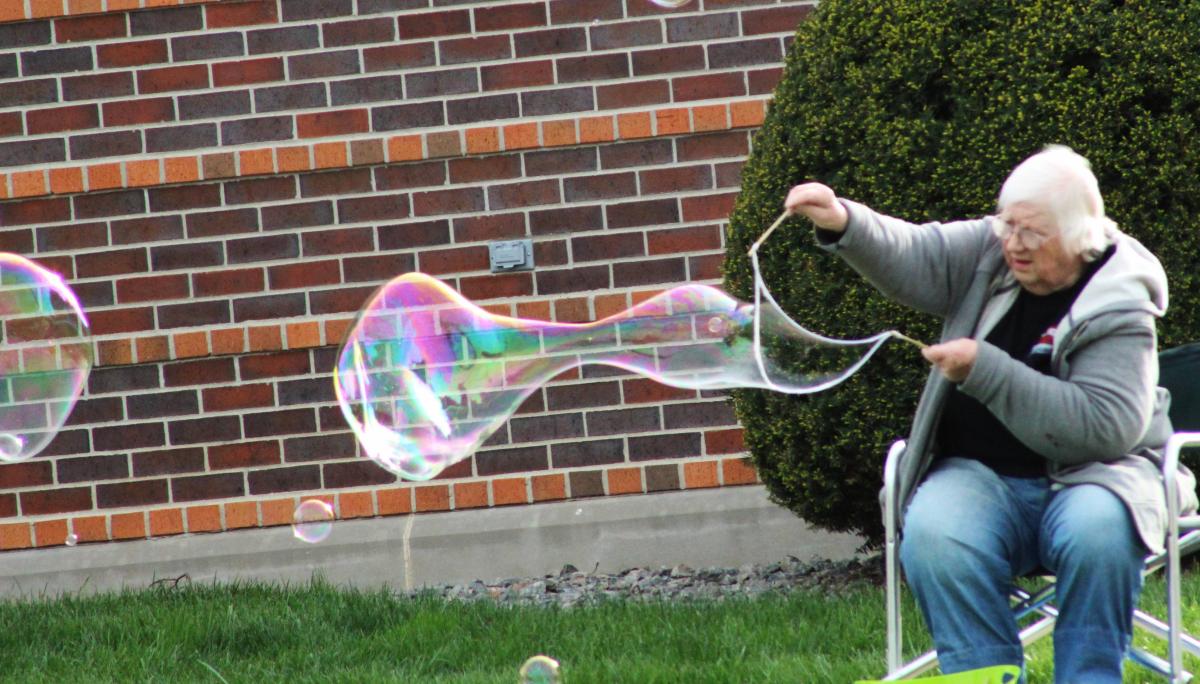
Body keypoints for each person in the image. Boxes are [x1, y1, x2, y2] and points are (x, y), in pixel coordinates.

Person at [782, 145, 1199, 683]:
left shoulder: (1121, 300)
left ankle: (1089, 676)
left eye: (1032, 234)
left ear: (1080, 238)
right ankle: (984, 674)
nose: (1013, 245)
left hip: (1098, 478)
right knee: (935, 533)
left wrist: (985, 370)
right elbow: (919, 253)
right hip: (979, 476)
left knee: (1098, 531)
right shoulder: (992, 247)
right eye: (1008, 225)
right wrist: (844, 221)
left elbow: (1104, 427)